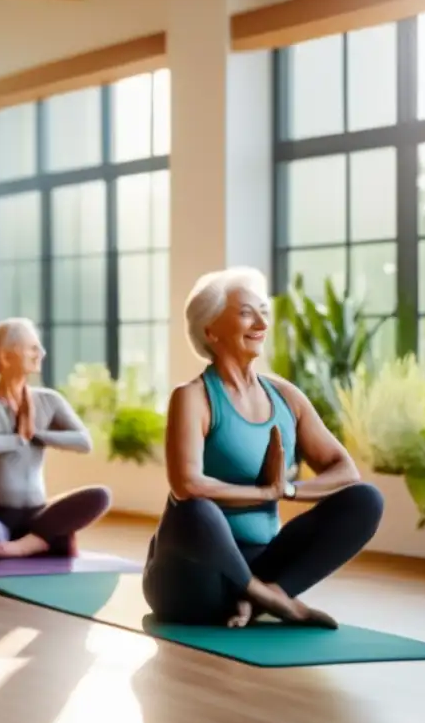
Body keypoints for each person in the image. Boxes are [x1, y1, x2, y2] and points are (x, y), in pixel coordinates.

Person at [143, 267, 384, 629]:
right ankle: (263, 595)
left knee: (365, 499)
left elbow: (343, 470)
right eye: (245, 313)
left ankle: (261, 595)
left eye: (263, 312)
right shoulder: (193, 398)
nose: (260, 323)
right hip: (192, 579)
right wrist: (262, 492)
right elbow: (186, 485)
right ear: (210, 330)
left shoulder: (286, 397)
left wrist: (286, 490)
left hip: (261, 562)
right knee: (194, 509)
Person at [0, 317, 112, 560]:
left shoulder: (49, 400)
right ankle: (40, 539)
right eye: (33, 347)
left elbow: (84, 441)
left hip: (34, 514)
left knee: (100, 496)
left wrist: (39, 435)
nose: (41, 353)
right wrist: (17, 440)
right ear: (6, 357)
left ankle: (27, 543)